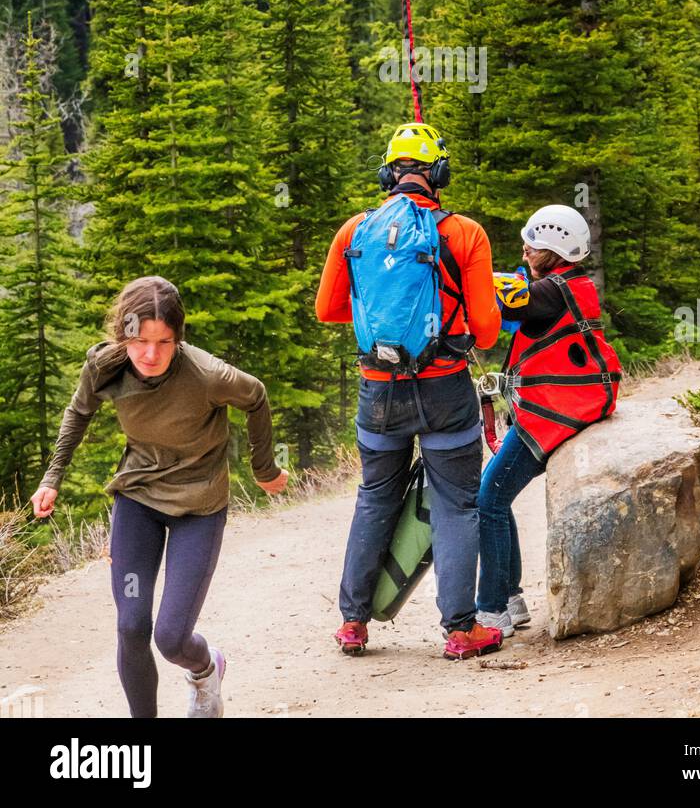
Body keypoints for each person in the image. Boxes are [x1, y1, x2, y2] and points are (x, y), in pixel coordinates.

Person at [30, 276, 288, 719]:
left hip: (199, 508)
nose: (151, 354)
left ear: (178, 338)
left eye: (164, 342)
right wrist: (52, 477)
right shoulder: (104, 365)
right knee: (132, 625)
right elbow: (79, 411)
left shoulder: (207, 374)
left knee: (170, 638)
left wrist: (264, 468)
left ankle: (206, 668)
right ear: (123, 336)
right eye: (140, 341)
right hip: (138, 500)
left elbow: (256, 396)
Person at [316, 121, 505, 661]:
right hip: (444, 387)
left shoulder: (354, 232)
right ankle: (459, 631)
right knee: (456, 504)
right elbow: (488, 332)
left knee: (375, 497)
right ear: (438, 174)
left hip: (378, 389)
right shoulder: (464, 233)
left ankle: (353, 623)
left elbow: (327, 310)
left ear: (388, 173)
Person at [476, 206, 622, 635]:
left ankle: (491, 610)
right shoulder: (570, 286)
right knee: (496, 499)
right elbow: (518, 303)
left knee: (489, 501)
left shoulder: (549, 294)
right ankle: (512, 598)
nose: (526, 247)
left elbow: (511, 300)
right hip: (563, 407)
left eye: (534, 244)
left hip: (552, 414)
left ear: (554, 250)